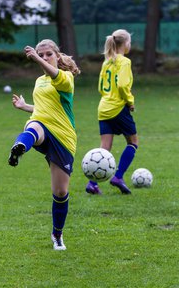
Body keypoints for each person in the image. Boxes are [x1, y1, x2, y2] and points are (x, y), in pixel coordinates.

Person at [8, 39, 80, 250]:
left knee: (60, 192)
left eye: (49, 54)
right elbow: (42, 109)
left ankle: (57, 234)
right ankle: (19, 148)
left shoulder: (66, 78)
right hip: (42, 126)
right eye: (42, 54)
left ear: (57, 56)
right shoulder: (39, 81)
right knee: (34, 128)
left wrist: (37, 58)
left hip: (63, 136)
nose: (45, 57)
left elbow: (54, 75)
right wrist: (24, 106)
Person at [86, 29, 138, 195]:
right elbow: (122, 85)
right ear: (126, 44)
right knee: (133, 142)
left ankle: (92, 183)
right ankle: (118, 177)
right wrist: (129, 101)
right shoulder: (124, 61)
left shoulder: (107, 61)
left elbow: (101, 87)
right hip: (118, 107)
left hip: (103, 107)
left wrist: (108, 98)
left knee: (105, 147)